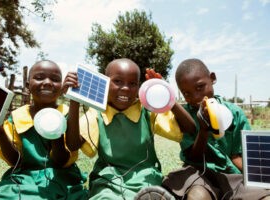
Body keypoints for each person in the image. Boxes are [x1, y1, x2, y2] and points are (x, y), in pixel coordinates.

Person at [65, 58, 196, 199]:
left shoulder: (147, 110)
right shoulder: (97, 113)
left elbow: (190, 128)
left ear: (139, 86)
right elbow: (73, 144)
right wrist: (74, 100)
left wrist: (167, 94)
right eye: (118, 81)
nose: (126, 88)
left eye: (133, 83)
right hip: (108, 180)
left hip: (145, 178)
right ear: (105, 82)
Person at [161, 58, 270, 200]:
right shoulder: (184, 117)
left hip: (232, 177)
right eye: (187, 94)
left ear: (212, 78)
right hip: (198, 175)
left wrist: (261, 176)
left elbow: (237, 156)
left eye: (200, 87)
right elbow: (193, 158)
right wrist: (204, 130)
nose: (196, 97)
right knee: (197, 196)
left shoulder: (235, 113)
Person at [0, 60, 88, 200]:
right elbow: (15, 161)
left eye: (55, 79)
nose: (48, 82)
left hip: (60, 176)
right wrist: (0, 132)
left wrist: (55, 131)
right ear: (27, 86)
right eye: (39, 78)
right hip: (24, 176)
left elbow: (61, 161)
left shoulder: (67, 115)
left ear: (62, 86)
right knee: (0, 197)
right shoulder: (17, 117)